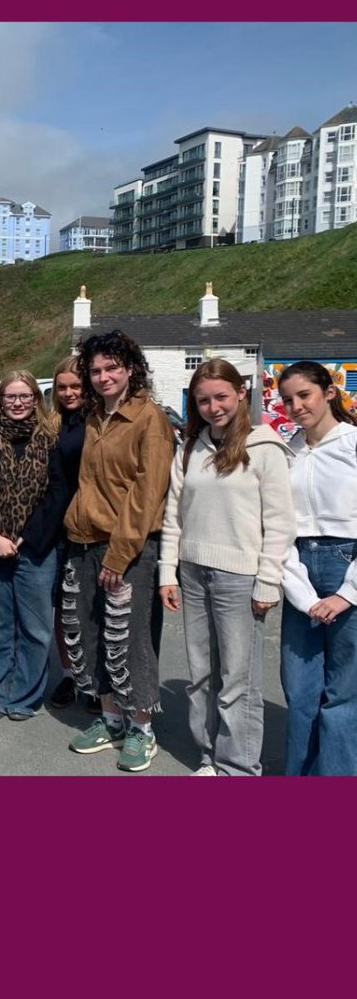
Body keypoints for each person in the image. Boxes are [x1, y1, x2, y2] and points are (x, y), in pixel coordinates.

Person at [159, 359, 295, 776]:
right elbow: (174, 515)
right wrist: (168, 572)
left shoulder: (265, 447)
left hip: (241, 577)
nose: (213, 407)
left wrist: (268, 580)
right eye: (203, 400)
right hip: (194, 572)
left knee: (238, 678)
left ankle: (237, 766)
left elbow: (280, 522)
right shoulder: (190, 448)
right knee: (201, 675)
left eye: (221, 396)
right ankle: (208, 756)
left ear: (241, 393)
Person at [62, 330, 175, 772]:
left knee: (130, 638)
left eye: (112, 367)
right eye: (96, 370)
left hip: (127, 547)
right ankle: (110, 720)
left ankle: (142, 729)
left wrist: (119, 554)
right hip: (83, 542)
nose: (104, 376)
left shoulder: (150, 419)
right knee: (89, 635)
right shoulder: (94, 417)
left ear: (130, 368)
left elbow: (148, 494)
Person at [0, 370, 65, 720]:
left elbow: (57, 493)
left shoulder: (49, 440)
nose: (18, 402)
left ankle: (25, 696)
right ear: (0, 401)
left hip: (36, 548)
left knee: (35, 628)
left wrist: (27, 536)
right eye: (11, 396)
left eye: (25, 396)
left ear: (36, 401)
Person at [278, 361, 357, 775]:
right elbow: (276, 525)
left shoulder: (352, 444)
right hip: (299, 569)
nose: (295, 406)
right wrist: (304, 594)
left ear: (329, 392)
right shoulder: (287, 450)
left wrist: (347, 594)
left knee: (343, 692)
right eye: (287, 399)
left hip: (348, 563)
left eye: (304, 395)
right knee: (300, 688)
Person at [45, 355, 96, 711]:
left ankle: (95, 680)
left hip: (92, 525)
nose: (68, 393)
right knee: (63, 611)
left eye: (75, 386)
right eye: (62, 387)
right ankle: (68, 675)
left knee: (92, 608)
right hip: (58, 528)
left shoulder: (97, 422)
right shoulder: (52, 424)